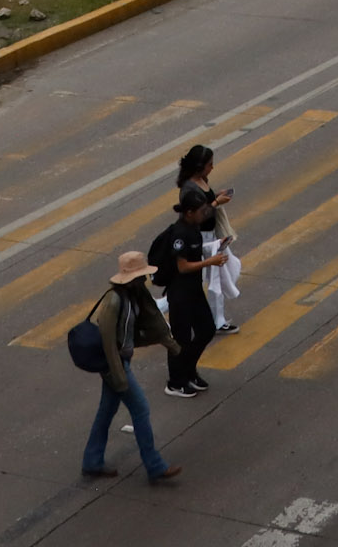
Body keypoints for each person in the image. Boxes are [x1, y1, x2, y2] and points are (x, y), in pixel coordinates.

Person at [81, 252, 180, 485]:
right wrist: (118, 375)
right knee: (141, 410)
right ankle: (154, 466)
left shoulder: (136, 294)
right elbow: (107, 342)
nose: (144, 280)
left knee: (106, 412)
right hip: (113, 363)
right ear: (131, 278)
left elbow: (153, 320)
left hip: (120, 361)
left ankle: (91, 462)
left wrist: (172, 345)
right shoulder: (114, 300)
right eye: (141, 276)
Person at [151, 186, 228, 395]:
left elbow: (195, 250)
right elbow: (182, 266)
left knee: (206, 329)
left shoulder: (194, 227)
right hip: (180, 293)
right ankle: (175, 382)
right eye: (201, 210)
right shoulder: (180, 233)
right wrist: (210, 261)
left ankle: (188, 370)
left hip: (193, 290)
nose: (205, 213)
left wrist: (214, 246)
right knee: (180, 338)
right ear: (189, 212)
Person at [177, 144, 241, 330]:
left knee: (222, 273)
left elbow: (205, 201)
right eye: (209, 164)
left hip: (212, 236)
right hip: (201, 238)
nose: (212, 167)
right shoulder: (189, 188)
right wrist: (215, 202)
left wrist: (217, 195)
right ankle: (166, 306)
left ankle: (217, 319)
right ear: (199, 166)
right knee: (207, 279)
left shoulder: (201, 180)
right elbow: (198, 214)